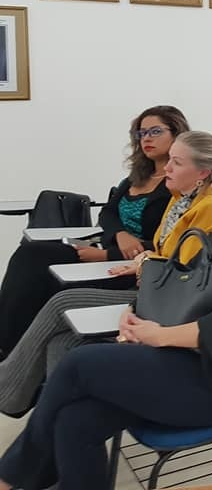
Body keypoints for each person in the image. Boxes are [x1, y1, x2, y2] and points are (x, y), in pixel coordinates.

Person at [0, 135, 212, 490]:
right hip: (198, 360)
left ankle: (9, 476)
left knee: (77, 363)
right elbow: (181, 285)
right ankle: (20, 475)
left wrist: (159, 336)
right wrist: (134, 313)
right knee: (75, 420)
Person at [0, 131, 212, 418]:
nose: (167, 168)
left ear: (202, 173)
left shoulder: (208, 207)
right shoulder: (180, 198)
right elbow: (156, 246)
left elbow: (180, 268)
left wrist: (141, 261)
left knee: (62, 302)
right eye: (169, 160)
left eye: (176, 163)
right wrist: (142, 260)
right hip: (151, 284)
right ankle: (57, 422)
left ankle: (9, 389)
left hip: (165, 299)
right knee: (62, 341)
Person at [0, 105, 189, 357]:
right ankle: (9, 344)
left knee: (45, 276)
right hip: (107, 247)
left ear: (176, 133)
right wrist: (120, 234)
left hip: (131, 265)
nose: (147, 138)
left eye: (155, 131)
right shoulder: (135, 178)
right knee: (31, 254)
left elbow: (168, 243)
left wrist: (107, 255)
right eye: (141, 133)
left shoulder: (180, 183)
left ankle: (13, 350)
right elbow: (107, 214)